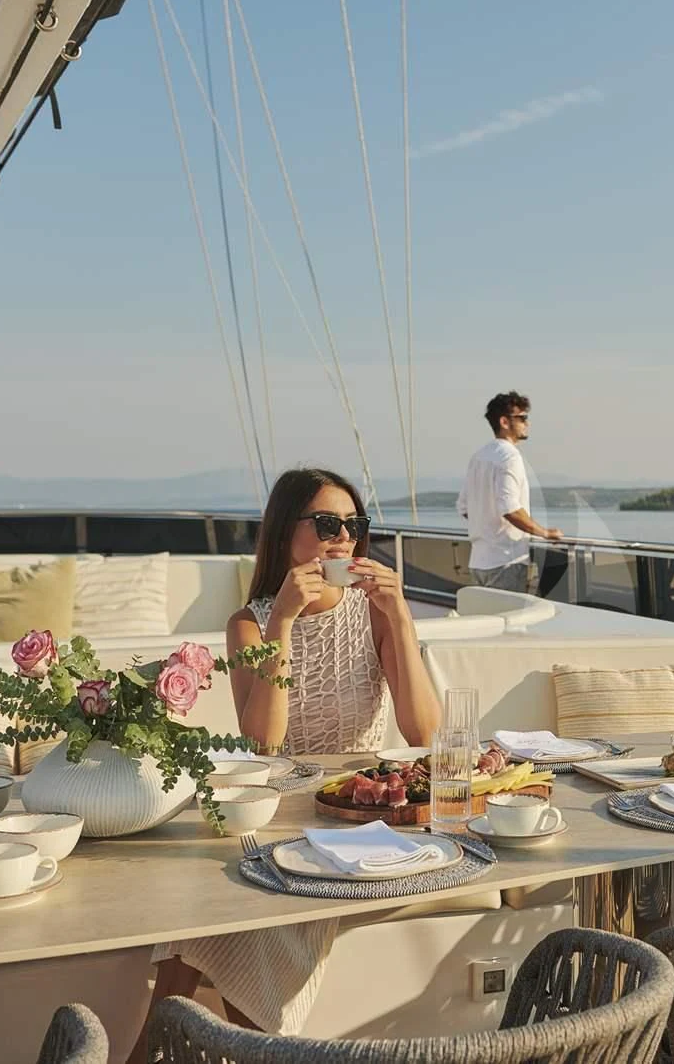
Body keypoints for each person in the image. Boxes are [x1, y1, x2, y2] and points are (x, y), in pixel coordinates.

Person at [128, 468, 440, 1062]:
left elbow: (424, 735)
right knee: (215, 892)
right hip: (278, 812)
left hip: (356, 814)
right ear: (285, 531)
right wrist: (284, 624)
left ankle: (155, 1047)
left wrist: (400, 615)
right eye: (326, 524)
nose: (343, 537)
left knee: (233, 908)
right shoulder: (251, 623)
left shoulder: (374, 612)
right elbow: (263, 743)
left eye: (353, 525)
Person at [457, 391, 561, 592]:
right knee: (509, 613)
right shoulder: (510, 457)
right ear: (504, 422)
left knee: (485, 613)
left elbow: (464, 507)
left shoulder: (478, 457)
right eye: (522, 418)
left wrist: (487, 522)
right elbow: (510, 509)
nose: (527, 423)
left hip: (478, 562)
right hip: (506, 561)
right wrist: (545, 533)